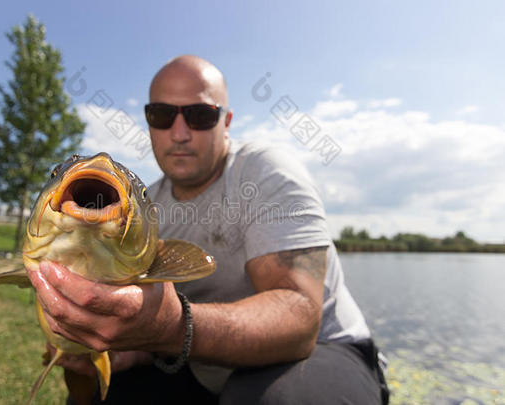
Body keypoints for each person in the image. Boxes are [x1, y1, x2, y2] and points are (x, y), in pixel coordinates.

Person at [27, 55, 389, 404]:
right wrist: (132, 348)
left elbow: (300, 321)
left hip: (322, 351)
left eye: (200, 115)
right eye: (162, 115)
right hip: (201, 361)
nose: (180, 133)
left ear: (227, 121)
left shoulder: (267, 173)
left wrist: (171, 327)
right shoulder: (141, 205)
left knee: (275, 398)